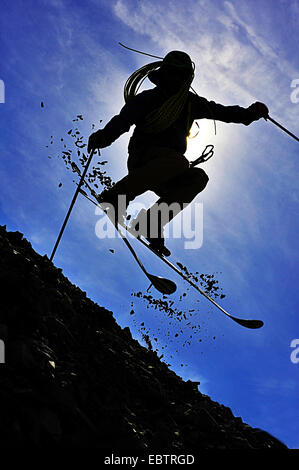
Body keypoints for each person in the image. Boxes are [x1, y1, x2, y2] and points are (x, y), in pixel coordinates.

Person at [88, 50, 268, 256]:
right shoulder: (148, 99)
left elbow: (222, 112)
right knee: (180, 163)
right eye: (172, 73)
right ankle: (116, 197)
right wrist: (103, 137)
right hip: (143, 159)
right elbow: (123, 120)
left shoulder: (190, 103)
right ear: (164, 74)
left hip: (168, 170)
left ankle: (151, 222)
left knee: (198, 177)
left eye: (180, 76)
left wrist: (250, 114)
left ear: (185, 79)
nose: (175, 79)